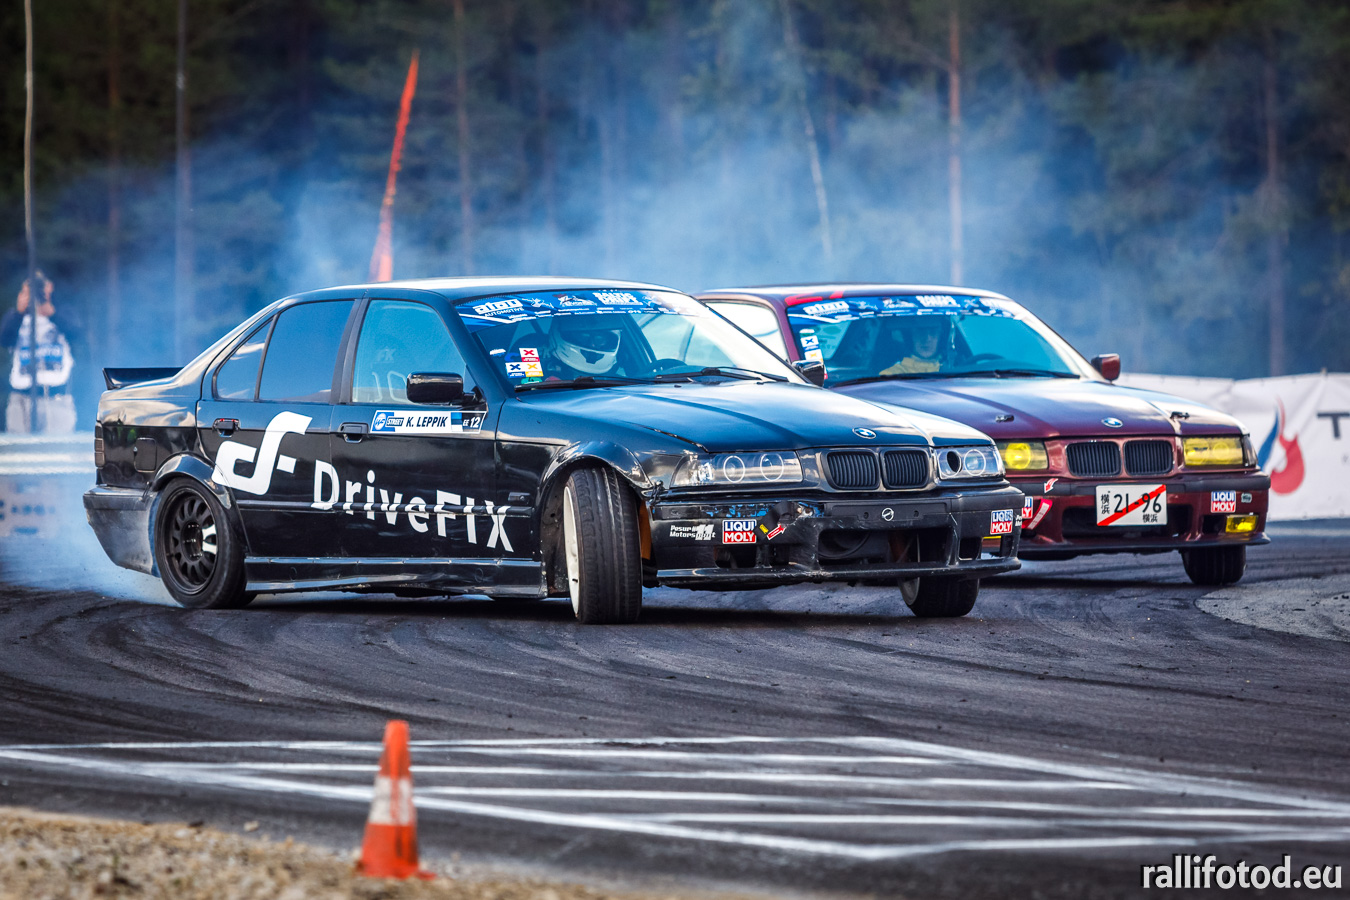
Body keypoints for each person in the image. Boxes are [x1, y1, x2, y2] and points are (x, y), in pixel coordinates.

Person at [1, 272, 78, 433]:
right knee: (18, 447)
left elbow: (76, 332)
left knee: (57, 446)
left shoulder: (62, 313)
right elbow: (4, 339)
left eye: (40, 289)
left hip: (56, 398)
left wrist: (51, 313)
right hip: (21, 399)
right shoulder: (15, 318)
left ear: (50, 288)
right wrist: (19, 312)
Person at [543, 315, 626, 380]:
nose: (592, 345)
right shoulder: (539, 367)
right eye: (583, 337)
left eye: (600, 339)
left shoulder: (622, 383)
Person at [880, 315, 948, 376]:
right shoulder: (889, 375)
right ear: (910, 337)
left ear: (941, 338)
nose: (927, 339)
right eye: (920, 332)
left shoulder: (950, 374)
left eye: (933, 332)